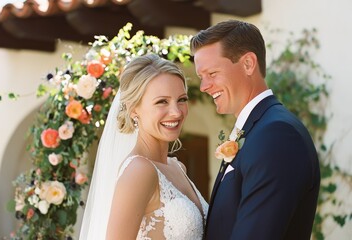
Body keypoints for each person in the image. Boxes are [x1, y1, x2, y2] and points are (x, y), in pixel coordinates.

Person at [190, 19, 320, 240]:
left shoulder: (277, 135)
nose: (204, 87)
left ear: (248, 63)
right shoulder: (258, 129)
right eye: (202, 78)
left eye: (212, 74)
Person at [79, 53, 208, 239]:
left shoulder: (177, 167)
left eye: (181, 99)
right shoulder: (139, 170)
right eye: (161, 102)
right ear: (134, 110)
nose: (176, 112)